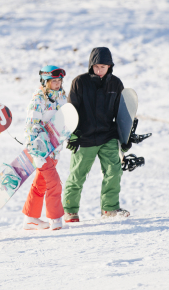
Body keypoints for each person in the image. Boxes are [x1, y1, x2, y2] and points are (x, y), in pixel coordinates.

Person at [62, 47, 131, 222]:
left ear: (110, 66)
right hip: (84, 137)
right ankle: (70, 211)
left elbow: (120, 113)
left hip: (108, 135)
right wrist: (72, 134)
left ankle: (109, 209)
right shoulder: (80, 82)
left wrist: (125, 138)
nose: (99, 70)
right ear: (91, 65)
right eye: (96, 66)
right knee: (77, 175)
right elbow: (72, 109)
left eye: (103, 67)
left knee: (113, 171)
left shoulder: (116, 84)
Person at [21, 65, 68, 231]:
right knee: (54, 183)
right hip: (41, 149)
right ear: (45, 81)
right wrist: (36, 153)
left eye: (59, 80)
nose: (57, 83)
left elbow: (64, 122)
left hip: (55, 149)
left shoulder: (62, 97)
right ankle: (55, 219)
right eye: (53, 81)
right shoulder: (38, 99)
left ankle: (30, 219)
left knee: (41, 182)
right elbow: (31, 126)